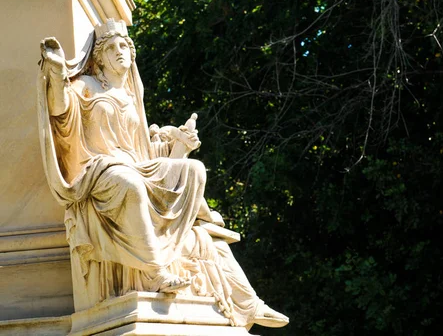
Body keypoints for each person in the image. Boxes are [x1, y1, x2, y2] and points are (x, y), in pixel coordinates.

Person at [38, 19, 287, 328]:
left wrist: (180, 146)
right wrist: (56, 71)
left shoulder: (131, 98)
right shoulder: (85, 87)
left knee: (192, 169)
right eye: (112, 48)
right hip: (102, 169)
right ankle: (156, 270)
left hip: (136, 166)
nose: (121, 53)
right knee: (130, 183)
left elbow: (143, 151)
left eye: (125, 47)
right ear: (99, 57)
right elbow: (60, 112)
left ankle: (247, 302)